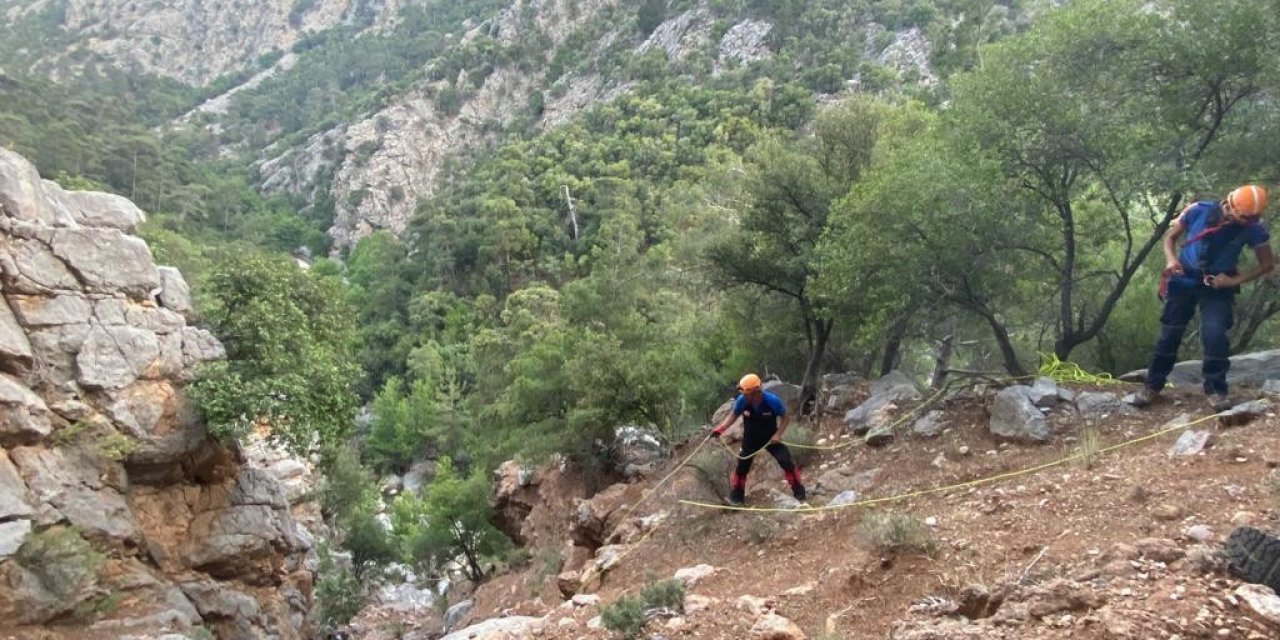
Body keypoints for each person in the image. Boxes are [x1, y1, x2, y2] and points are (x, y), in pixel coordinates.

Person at [1130, 185, 1275, 411]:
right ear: (1231, 206)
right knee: (1170, 333)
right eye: (1245, 217)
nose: (1249, 221)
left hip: (1218, 285)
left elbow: (1267, 264)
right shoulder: (1198, 211)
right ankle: (1152, 386)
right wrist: (1171, 260)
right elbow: (1170, 238)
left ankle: (1216, 390)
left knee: (1215, 334)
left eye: (1253, 217)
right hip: (1184, 279)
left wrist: (1233, 281)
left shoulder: (1254, 228)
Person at [710, 373, 806, 506]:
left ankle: (799, 491)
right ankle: (736, 498)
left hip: (770, 438)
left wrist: (778, 434)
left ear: (755, 392)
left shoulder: (772, 401)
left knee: (786, 461)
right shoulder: (742, 401)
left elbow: (786, 418)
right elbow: (733, 415)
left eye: (745, 393)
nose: (743, 395)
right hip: (750, 439)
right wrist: (720, 429)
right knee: (742, 465)